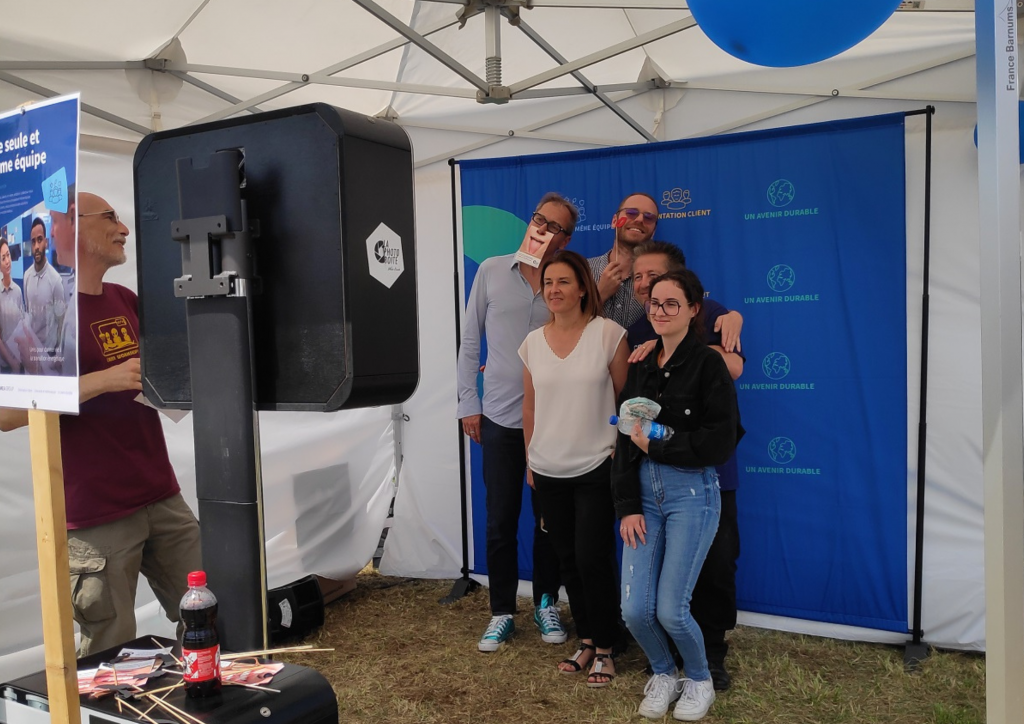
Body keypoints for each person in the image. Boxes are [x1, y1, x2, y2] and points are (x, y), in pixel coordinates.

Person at [0, 192, 202, 656]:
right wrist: (101, 381)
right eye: (110, 217)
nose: (124, 229)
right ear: (72, 227)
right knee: (109, 653)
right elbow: (8, 415)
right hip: (95, 518)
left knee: (212, 613)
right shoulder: (41, 315)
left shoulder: (125, 299)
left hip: (161, 496)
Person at [612, 270, 742, 721]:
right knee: (634, 609)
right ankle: (664, 672)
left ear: (692, 310)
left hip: (692, 494)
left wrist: (661, 446)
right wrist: (627, 506)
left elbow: (720, 441)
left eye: (672, 303)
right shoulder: (642, 364)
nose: (661, 311)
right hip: (643, 496)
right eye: (655, 303)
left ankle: (699, 679)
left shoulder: (709, 365)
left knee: (671, 608)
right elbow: (625, 438)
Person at [457, 193, 574, 652]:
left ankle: (547, 603)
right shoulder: (490, 270)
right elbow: (470, 341)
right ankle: (502, 611)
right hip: (499, 419)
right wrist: (468, 403)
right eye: (539, 219)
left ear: (565, 240)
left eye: (555, 226)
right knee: (500, 520)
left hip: (552, 422)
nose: (543, 229)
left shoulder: (565, 284)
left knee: (550, 521)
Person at [521, 249, 629, 687]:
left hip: (596, 466)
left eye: (564, 281)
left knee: (592, 557)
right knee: (567, 558)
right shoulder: (531, 343)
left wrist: (620, 453)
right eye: (548, 283)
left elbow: (626, 403)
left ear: (584, 287)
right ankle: (586, 640)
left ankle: (606, 647)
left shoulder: (609, 335)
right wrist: (530, 459)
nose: (554, 290)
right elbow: (530, 408)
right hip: (548, 469)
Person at [587, 192, 742, 350]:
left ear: (654, 230)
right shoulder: (585, 270)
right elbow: (570, 325)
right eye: (631, 213)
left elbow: (691, 311)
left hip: (647, 362)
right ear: (615, 220)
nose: (639, 219)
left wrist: (731, 316)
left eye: (648, 217)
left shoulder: (668, 276)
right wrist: (600, 294)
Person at [22, 218, 66, 364]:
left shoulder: (55, 280)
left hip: (49, 354)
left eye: (40, 240)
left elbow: (61, 323)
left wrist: (58, 356)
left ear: (46, 242)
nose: (36, 246)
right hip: (32, 350)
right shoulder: (27, 276)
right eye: (33, 241)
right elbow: (27, 312)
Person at [0, 238, 25, 373]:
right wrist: (11, 362)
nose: (7, 261)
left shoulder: (18, 291)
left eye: (8, 255)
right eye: (3, 258)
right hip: (4, 365)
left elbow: (22, 325)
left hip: (20, 359)